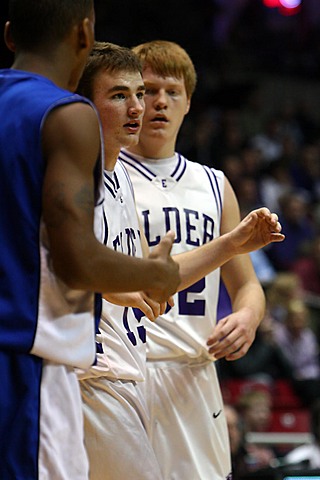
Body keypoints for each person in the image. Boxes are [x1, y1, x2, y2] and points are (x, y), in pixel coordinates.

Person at [76, 41, 284, 480]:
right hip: (121, 366)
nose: (154, 103)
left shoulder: (214, 184)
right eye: (142, 90)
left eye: (171, 91)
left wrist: (247, 316)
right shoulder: (106, 169)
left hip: (192, 368)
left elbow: (246, 283)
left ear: (189, 101)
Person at [0, 4, 181, 479]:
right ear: (84, 33)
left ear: (9, 35)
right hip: (28, 365)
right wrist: (156, 273)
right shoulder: (66, 114)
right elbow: (77, 260)